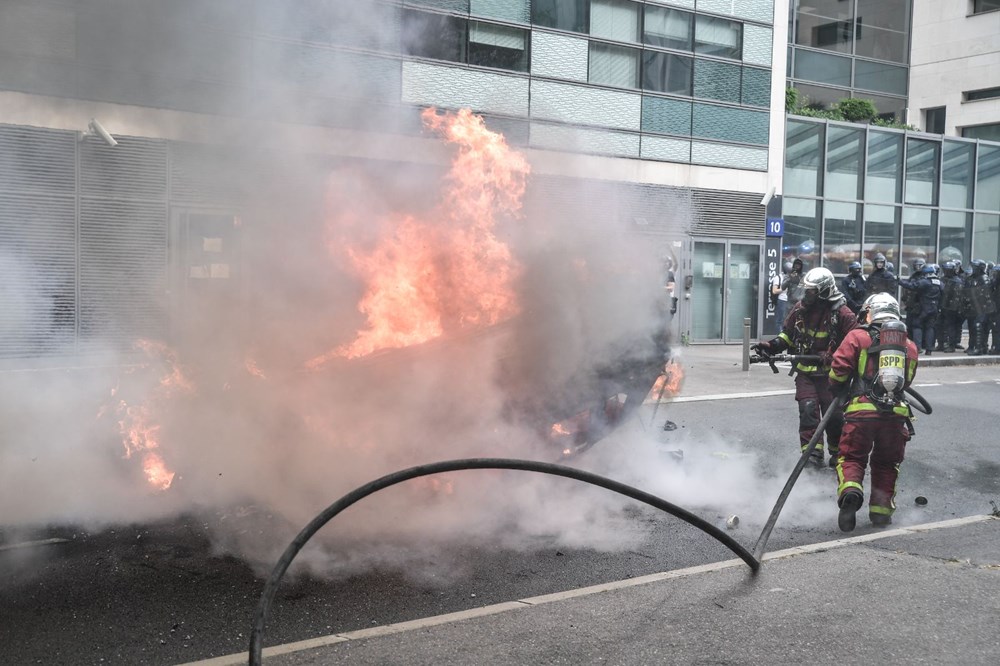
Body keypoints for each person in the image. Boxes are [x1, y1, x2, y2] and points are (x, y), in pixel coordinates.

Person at [828, 293, 918, 532]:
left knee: (851, 458)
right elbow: (907, 380)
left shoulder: (857, 336)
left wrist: (838, 391)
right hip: (895, 414)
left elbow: (838, 371)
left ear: (870, 312)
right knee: (887, 463)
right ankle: (881, 512)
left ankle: (851, 491)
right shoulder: (908, 345)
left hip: (861, 412)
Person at [752, 267, 858, 468]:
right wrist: (772, 346)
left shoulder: (843, 314)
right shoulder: (800, 309)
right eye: (806, 290)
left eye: (811, 291)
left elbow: (856, 343)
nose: (806, 294)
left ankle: (838, 453)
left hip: (833, 376)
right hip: (806, 373)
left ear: (824, 291)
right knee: (808, 411)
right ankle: (812, 454)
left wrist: (836, 357)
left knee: (835, 417)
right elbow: (788, 335)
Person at [899, 263, 942, 355]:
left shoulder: (925, 282)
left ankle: (917, 348)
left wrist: (900, 281)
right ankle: (929, 349)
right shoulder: (939, 283)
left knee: (917, 326)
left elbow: (912, 286)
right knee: (930, 328)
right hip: (934, 308)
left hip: (923, 308)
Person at [961, 259, 995, 356]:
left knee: (979, 326)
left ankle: (980, 348)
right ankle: (972, 346)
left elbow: (986, 294)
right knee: (972, 327)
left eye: (974, 267)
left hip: (982, 307)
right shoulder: (970, 279)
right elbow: (966, 291)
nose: (972, 269)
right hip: (972, 306)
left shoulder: (984, 279)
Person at [937, 261, 964, 353]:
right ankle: (941, 344)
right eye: (945, 270)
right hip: (942, 306)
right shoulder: (942, 279)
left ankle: (951, 345)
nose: (946, 272)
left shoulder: (957, 281)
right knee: (939, 325)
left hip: (952, 308)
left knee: (951, 327)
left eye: (948, 270)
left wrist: (956, 308)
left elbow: (958, 296)